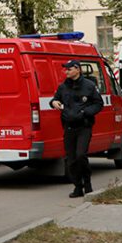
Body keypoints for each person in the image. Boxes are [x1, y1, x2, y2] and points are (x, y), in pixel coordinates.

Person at [50, 60, 103, 197]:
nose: (66, 71)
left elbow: (98, 104)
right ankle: (77, 187)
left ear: (77, 69)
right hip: (69, 127)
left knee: (81, 155)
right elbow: (55, 99)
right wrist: (54, 102)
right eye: (65, 69)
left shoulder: (89, 86)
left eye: (69, 69)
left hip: (84, 126)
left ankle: (87, 183)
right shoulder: (63, 87)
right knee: (71, 160)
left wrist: (85, 113)